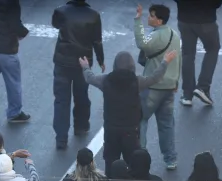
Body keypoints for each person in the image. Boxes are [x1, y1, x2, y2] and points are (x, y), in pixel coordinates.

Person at [82, 50, 174, 170]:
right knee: (132, 163)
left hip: (111, 131)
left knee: (110, 161)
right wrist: (165, 62)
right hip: (131, 131)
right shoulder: (137, 82)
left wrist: (85, 67)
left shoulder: (106, 80)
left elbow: (90, 78)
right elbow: (155, 77)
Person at [134, 4, 181, 170]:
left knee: (141, 119)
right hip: (169, 87)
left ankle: (140, 156)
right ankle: (171, 159)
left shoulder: (155, 36)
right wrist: (175, 82)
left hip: (152, 87)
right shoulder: (174, 35)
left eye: (151, 15)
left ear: (159, 20)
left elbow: (142, 44)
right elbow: (178, 60)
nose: (149, 17)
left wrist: (137, 20)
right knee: (166, 124)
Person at [51, 0, 104, 149]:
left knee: (61, 100)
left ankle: (61, 138)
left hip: (62, 61)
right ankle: (81, 126)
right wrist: (101, 59)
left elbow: (56, 25)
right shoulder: (93, 16)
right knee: (81, 95)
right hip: (83, 62)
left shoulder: (61, 11)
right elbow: (97, 40)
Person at [0, 0, 31, 124]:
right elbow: (15, 24)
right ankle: (14, 113)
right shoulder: (12, 2)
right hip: (7, 49)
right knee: (13, 82)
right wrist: (24, 33)